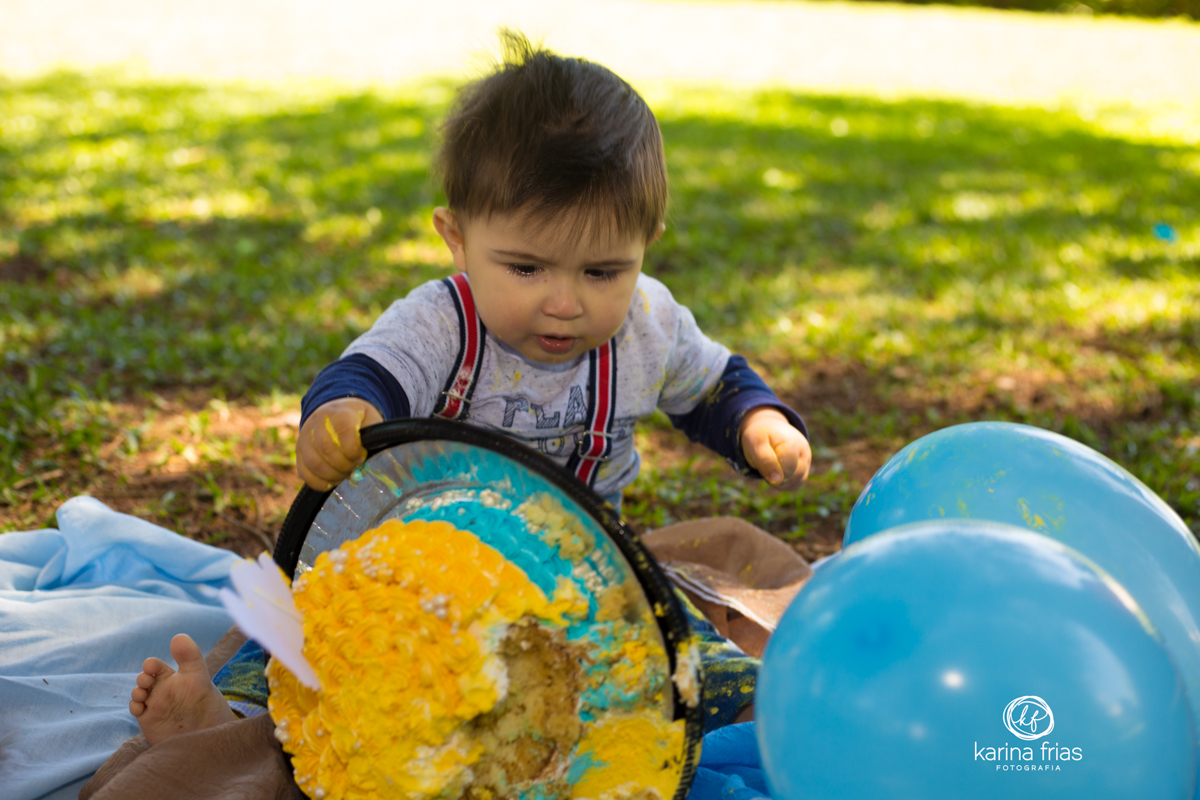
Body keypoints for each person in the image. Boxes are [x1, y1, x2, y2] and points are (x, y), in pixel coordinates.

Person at [129, 32, 810, 749]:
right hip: (413, 580)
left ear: (647, 244)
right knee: (306, 644)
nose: (564, 302)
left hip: (578, 585)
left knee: (686, 652)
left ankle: (767, 715)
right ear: (456, 238)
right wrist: (341, 414)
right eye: (526, 268)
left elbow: (712, 385)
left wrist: (755, 419)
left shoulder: (649, 323)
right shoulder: (440, 326)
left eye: (602, 272)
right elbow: (368, 375)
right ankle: (219, 722)